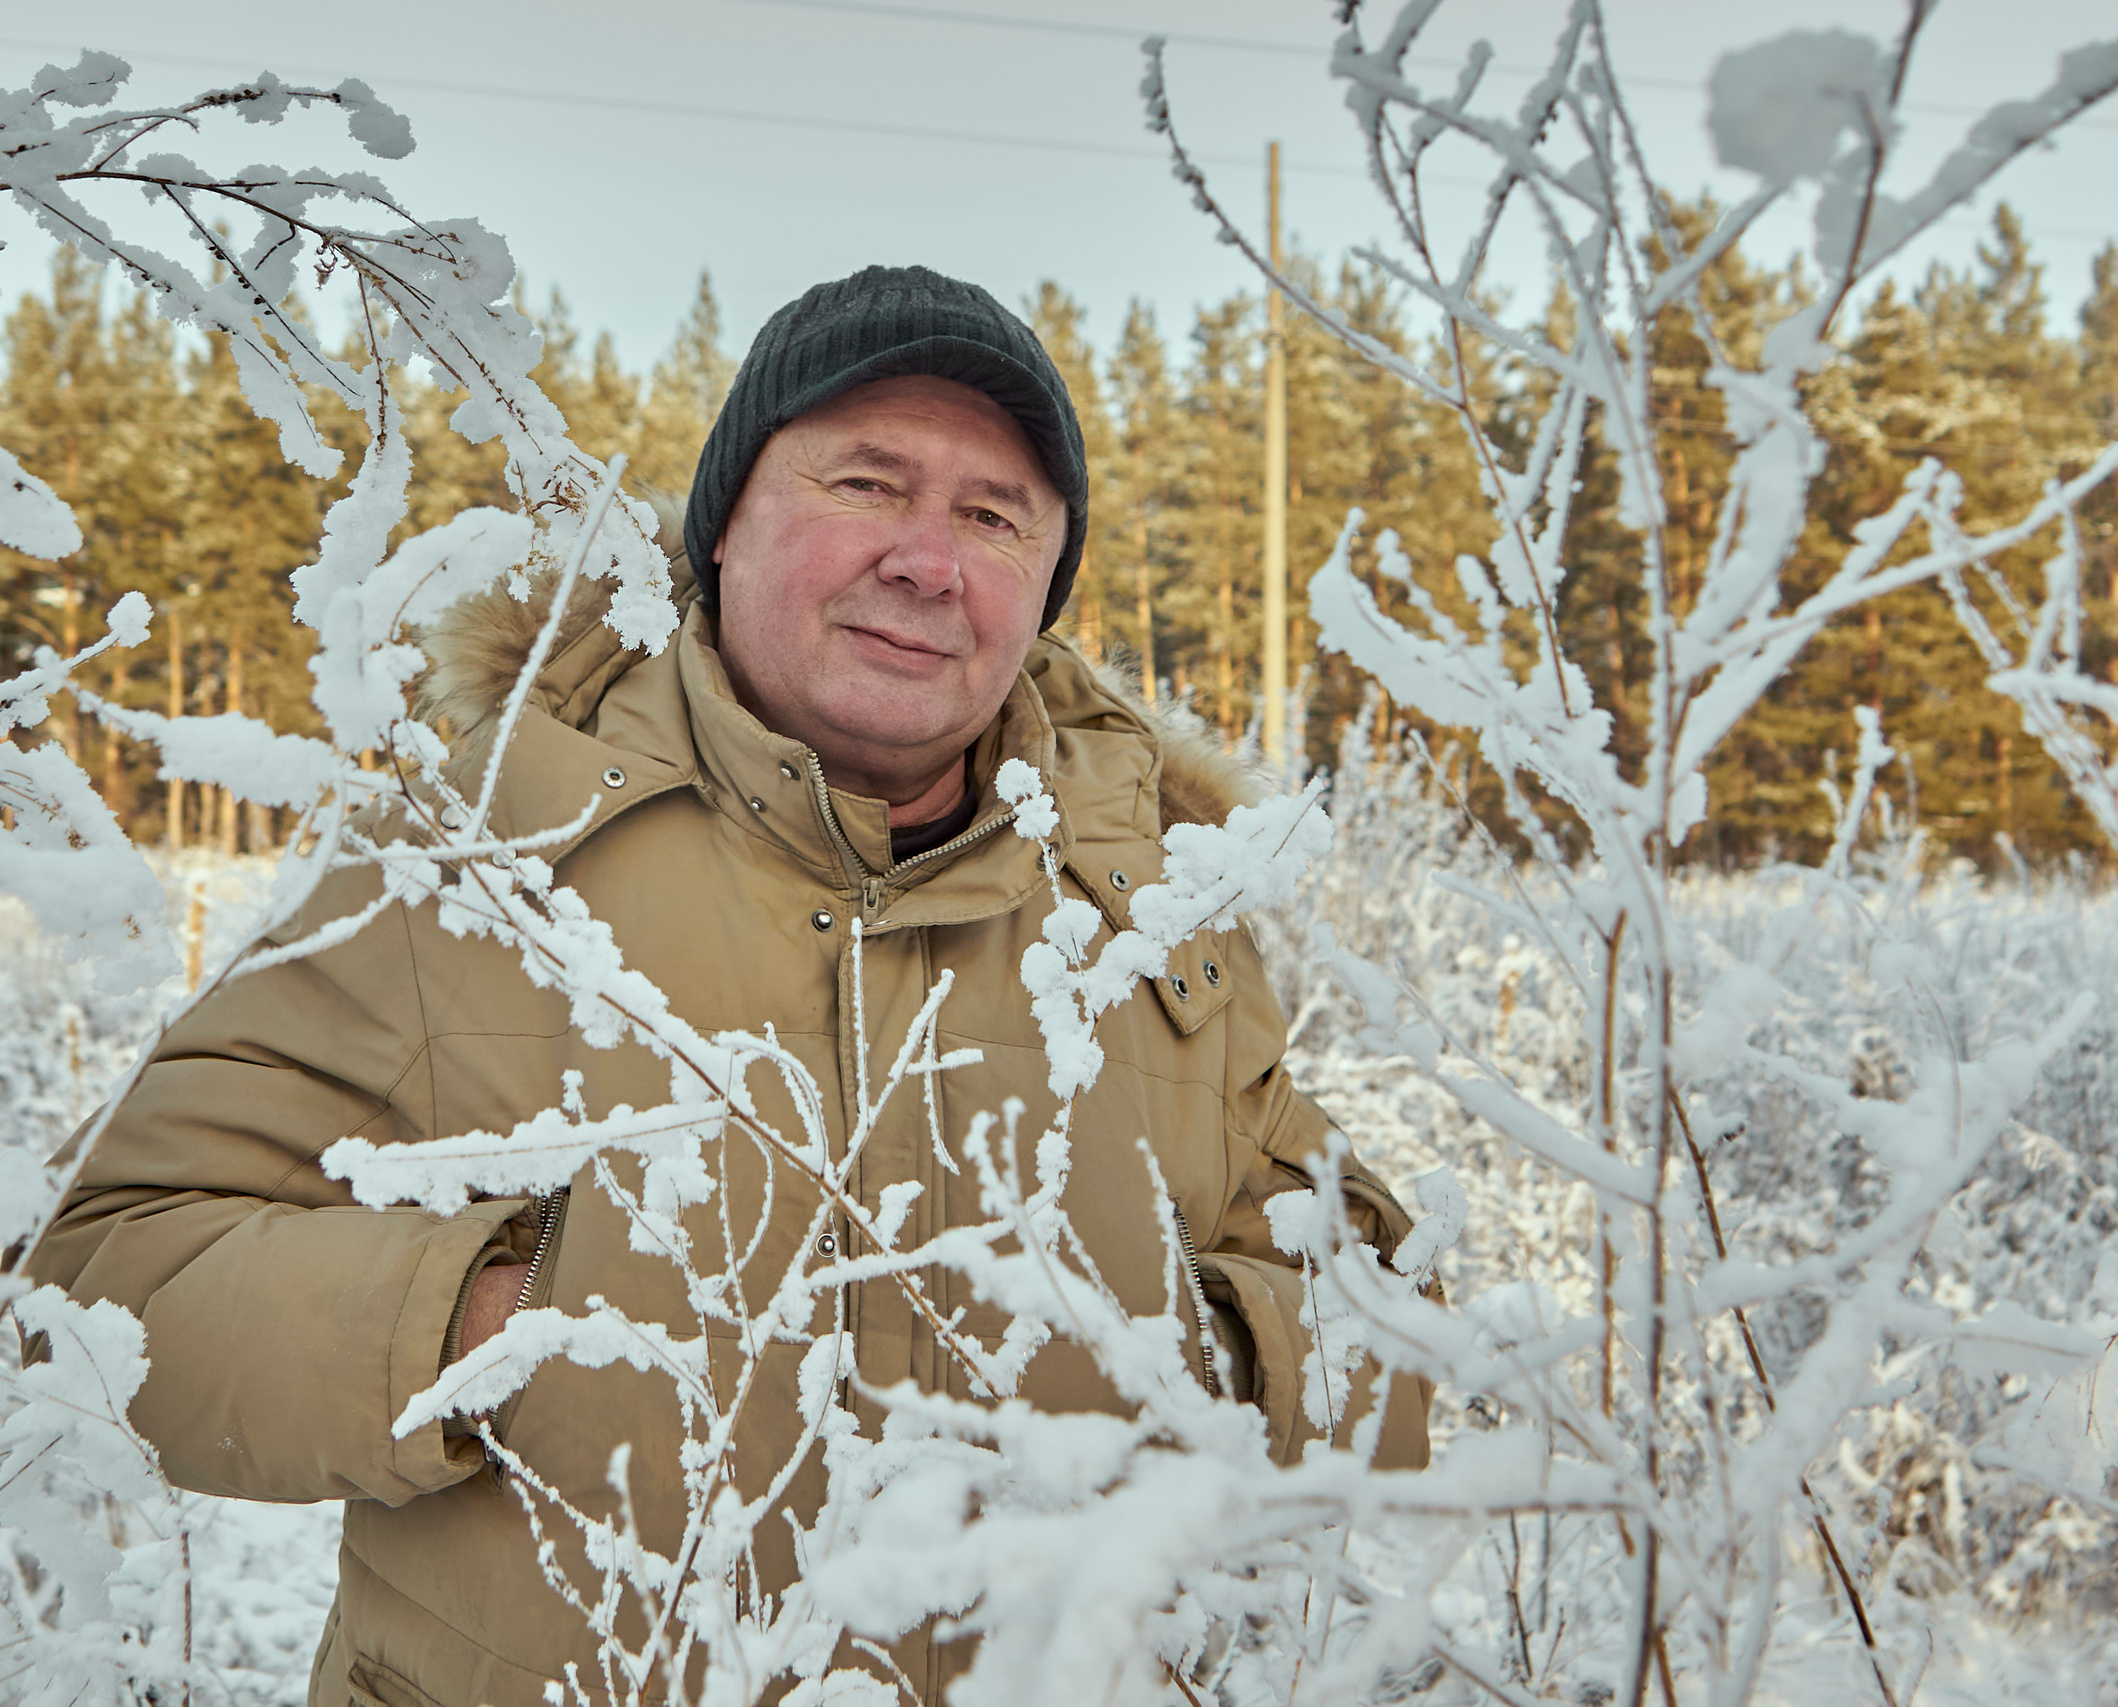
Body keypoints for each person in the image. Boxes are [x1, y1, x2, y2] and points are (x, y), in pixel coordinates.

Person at [31, 265, 1427, 1707]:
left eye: (995, 518)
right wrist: (485, 1326)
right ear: (722, 531)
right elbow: (101, 1281)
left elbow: (1393, 1325)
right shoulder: (485, 845)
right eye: (869, 485)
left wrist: (1209, 1364)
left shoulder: (1154, 898)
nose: (929, 563)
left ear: (1048, 586)